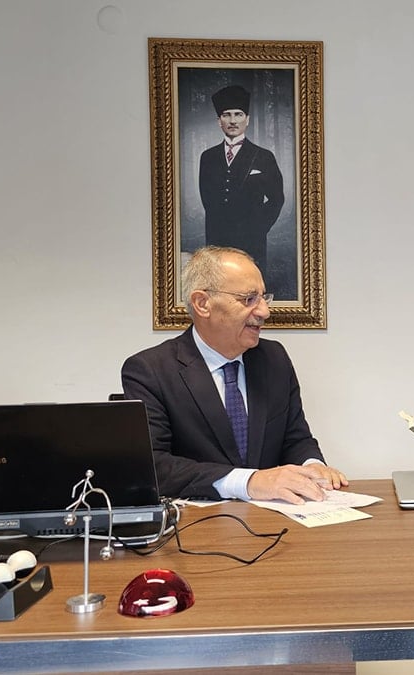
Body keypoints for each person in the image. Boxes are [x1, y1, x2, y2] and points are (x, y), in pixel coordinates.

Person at [121, 246, 346, 503]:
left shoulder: (274, 359)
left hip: (273, 520)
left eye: (264, 297)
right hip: (198, 522)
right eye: (249, 299)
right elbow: (155, 465)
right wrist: (248, 482)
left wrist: (312, 465)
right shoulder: (150, 370)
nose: (264, 312)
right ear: (202, 303)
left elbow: (295, 438)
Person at [198, 85, 285, 275]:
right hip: (217, 240)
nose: (232, 120)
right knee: (217, 286)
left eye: (238, 114)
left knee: (249, 287)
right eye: (226, 115)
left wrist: (258, 227)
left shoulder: (263, 157)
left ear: (248, 120)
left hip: (251, 241)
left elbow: (277, 198)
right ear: (219, 121)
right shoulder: (208, 157)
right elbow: (207, 199)